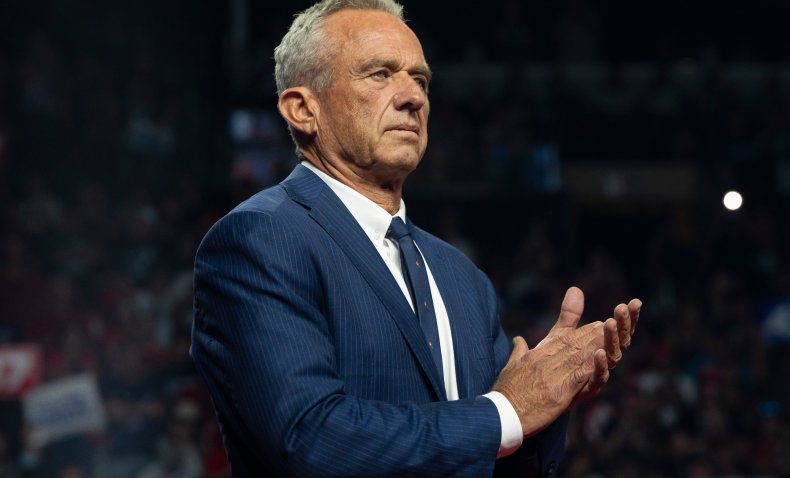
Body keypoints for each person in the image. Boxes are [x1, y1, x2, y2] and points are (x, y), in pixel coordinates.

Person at [189, 0, 642, 476]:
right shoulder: (259, 240)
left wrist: (546, 405)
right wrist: (508, 412)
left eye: (420, 80)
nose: (414, 98)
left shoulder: (462, 276)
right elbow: (310, 439)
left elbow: (494, 451)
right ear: (304, 109)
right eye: (380, 74)